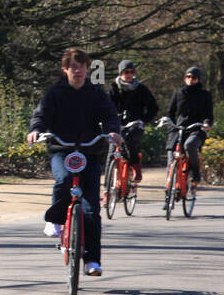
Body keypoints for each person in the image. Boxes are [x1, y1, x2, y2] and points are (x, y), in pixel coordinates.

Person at [26, 48, 122, 277]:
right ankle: (55, 219)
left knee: (91, 210)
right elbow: (41, 115)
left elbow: (110, 116)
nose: (77, 70)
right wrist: (36, 130)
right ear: (65, 69)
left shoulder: (96, 94)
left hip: (88, 153)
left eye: (81, 66)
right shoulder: (55, 93)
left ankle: (91, 261)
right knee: (65, 180)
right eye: (72, 66)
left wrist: (112, 132)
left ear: (87, 69)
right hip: (62, 150)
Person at [107, 60, 159, 182]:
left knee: (130, 140)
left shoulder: (141, 89)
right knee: (111, 153)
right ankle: (107, 190)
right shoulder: (113, 88)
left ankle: (135, 166)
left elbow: (153, 107)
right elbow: (106, 106)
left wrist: (143, 120)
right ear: (120, 73)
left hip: (135, 124)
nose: (129, 75)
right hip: (117, 124)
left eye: (131, 72)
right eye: (126, 72)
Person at [164, 66, 214, 186]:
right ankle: (169, 187)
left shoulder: (205, 95)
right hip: (179, 128)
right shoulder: (178, 92)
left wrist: (206, 124)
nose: (191, 79)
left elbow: (209, 114)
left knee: (190, 145)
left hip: (196, 129)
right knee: (171, 154)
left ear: (198, 79)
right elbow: (170, 112)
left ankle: (196, 172)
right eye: (188, 76)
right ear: (185, 78)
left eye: (194, 77)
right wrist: (170, 123)